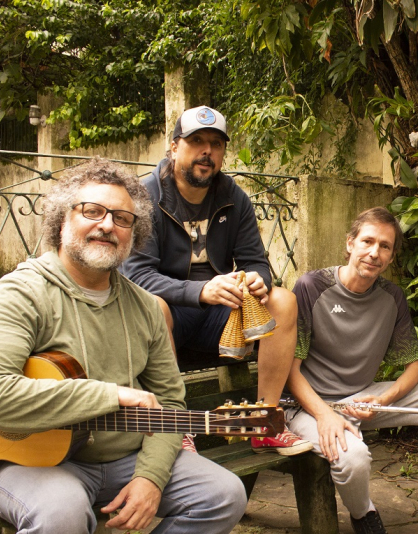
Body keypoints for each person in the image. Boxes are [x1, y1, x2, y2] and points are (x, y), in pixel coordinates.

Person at [0, 158, 247, 533]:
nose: (107, 225)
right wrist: (110, 395)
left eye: (122, 218)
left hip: (125, 457)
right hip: (31, 461)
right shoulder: (21, 293)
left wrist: (150, 477)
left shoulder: (146, 306)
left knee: (223, 494)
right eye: (92, 211)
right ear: (62, 219)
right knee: (61, 513)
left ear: (134, 232)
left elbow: (170, 403)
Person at [122, 106, 310, 455]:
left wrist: (258, 280)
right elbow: (137, 276)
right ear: (175, 147)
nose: (207, 151)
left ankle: (263, 420)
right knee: (154, 305)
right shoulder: (146, 196)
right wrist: (201, 290)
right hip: (166, 317)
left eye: (216, 144)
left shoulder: (233, 197)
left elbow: (256, 260)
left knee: (283, 300)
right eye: (196, 142)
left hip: (219, 318)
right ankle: (174, 426)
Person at [284, 207, 418, 534]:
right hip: (310, 406)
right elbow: (290, 372)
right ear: (350, 243)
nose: (374, 253)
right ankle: (364, 515)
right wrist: (324, 415)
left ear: (391, 257)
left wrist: (383, 398)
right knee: (355, 459)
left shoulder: (392, 297)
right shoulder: (311, 287)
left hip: (363, 398)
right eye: (367, 241)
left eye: (385, 246)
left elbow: (414, 368)